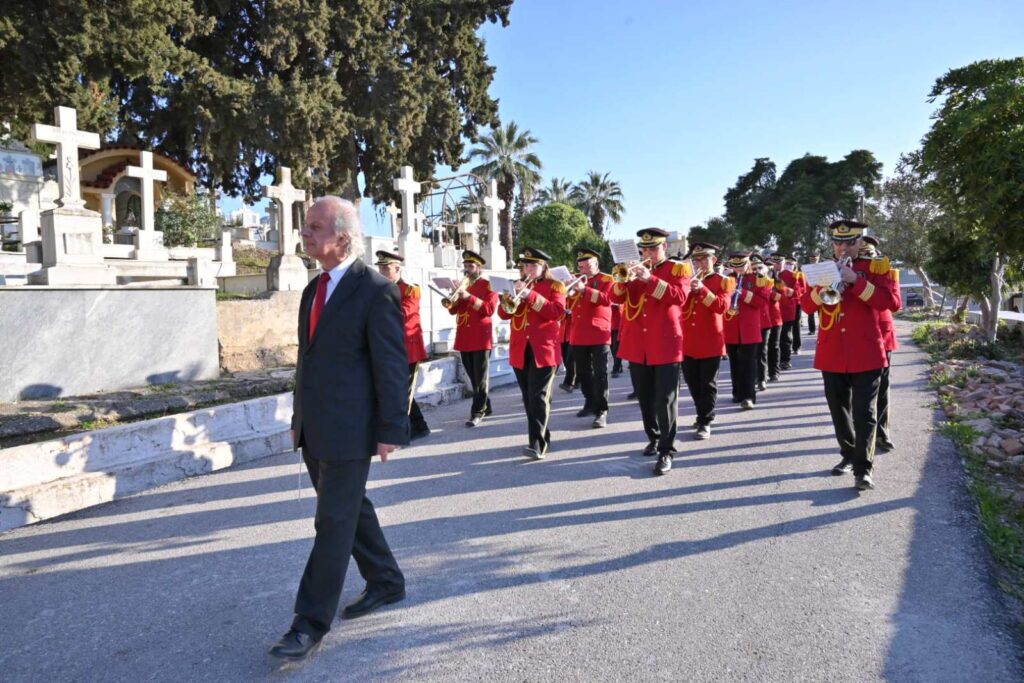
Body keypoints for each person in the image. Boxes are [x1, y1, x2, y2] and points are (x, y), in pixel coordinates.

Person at [270, 196, 408, 661]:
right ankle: (386, 580)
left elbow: (392, 365)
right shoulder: (314, 289)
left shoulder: (375, 289)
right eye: (305, 226)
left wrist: (391, 427)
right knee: (351, 510)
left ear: (343, 238)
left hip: (352, 429)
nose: (304, 234)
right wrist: (298, 419)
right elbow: (305, 363)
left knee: (331, 521)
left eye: (313, 227)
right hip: (316, 427)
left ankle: (308, 623)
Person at [800, 219, 899, 491]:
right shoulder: (821, 271)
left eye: (849, 242)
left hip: (866, 351)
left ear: (860, 243)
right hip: (832, 352)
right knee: (838, 410)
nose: (843, 247)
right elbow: (806, 306)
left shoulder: (878, 268)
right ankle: (847, 453)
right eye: (838, 242)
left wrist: (856, 281)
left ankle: (863, 469)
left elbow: (892, 303)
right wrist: (823, 290)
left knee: (864, 413)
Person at [611, 228, 691, 475]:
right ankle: (654, 437)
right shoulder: (632, 272)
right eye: (644, 249)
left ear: (664, 247)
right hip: (638, 345)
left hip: (666, 344)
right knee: (645, 398)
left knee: (665, 400)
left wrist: (650, 279)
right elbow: (615, 297)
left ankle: (667, 450)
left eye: (653, 248)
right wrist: (623, 279)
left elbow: (679, 297)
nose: (648, 253)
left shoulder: (679, 269)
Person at [497, 247, 567, 459]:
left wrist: (530, 295)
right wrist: (508, 297)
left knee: (538, 397)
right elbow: (504, 313)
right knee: (529, 398)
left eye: (532, 265)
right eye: (525, 265)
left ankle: (537, 443)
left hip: (544, 349)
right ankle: (542, 435)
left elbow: (557, 313)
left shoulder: (556, 285)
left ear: (543, 266)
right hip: (520, 349)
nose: (528, 269)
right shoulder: (515, 285)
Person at [376, 249, 430, 440]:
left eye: (386, 268)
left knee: (404, 391)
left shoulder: (410, 289)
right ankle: (420, 426)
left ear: (397, 268)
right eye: (380, 268)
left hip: (409, 348)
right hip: (390, 349)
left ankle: (403, 432)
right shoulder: (379, 289)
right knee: (398, 390)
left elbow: (404, 315)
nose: (382, 272)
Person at [681, 243, 733, 439]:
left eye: (703, 259)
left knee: (708, 384)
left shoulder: (724, 281)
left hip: (711, 339)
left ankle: (706, 420)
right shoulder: (686, 280)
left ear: (714, 260)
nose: (699, 263)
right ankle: (700, 412)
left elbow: (721, 307)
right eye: (696, 260)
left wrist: (702, 290)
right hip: (688, 341)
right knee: (692, 383)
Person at [444, 250, 499, 427]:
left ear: (479, 267)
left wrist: (469, 297)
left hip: (481, 338)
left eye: (471, 266)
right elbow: (453, 310)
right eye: (465, 265)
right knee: (473, 378)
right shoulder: (463, 285)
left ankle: (477, 412)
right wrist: (454, 294)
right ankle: (486, 405)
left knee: (480, 378)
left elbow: (489, 309)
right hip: (464, 337)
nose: (467, 269)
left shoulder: (489, 286)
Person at [566, 246, 615, 428]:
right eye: (581, 266)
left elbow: (607, 299)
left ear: (596, 264)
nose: (583, 269)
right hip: (578, 333)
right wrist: (569, 293)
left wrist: (583, 290)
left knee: (600, 373)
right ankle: (589, 401)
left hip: (598, 332)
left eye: (587, 265)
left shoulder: (607, 279)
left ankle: (602, 410)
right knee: (583, 372)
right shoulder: (577, 280)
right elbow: (569, 303)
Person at [861, 235, 901, 452]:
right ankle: (862, 434)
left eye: (869, 253)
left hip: (882, 335)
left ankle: (881, 432)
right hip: (858, 336)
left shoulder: (886, 271)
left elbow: (895, 303)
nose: (866, 257)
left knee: (882, 388)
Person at [723, 252, 770, 410]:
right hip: (731, 326)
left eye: (741, 266)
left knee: (748, 364)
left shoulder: (758, 279)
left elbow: (762, 302)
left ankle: (748, 396)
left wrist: (743, 294)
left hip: (749, 328)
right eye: (735, 266)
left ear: (748, 264)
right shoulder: (727, 279)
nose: (739, 269)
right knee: (735, 363)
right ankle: (737, 393)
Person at [774, 254, 802, 371]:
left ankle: (785, 360)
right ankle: (774, 362)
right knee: (774, 339)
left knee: (786, 336)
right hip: (773, 311)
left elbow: (797, 292)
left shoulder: (791, 275)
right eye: (775, 262)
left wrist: (784, 291)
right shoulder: (766, 275)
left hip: (787, 309)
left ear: (784, 263)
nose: (777, 264)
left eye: (780, 262)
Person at [750, 254, 773, 392]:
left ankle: (762, 379)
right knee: (751, 353)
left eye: (759, 267)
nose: (756, 270)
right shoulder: (747, 281)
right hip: (751, 322)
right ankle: (752, 378)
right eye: (753, 268)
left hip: (764, 322)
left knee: (761, 352)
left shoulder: (768, 281)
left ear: (765, 269)